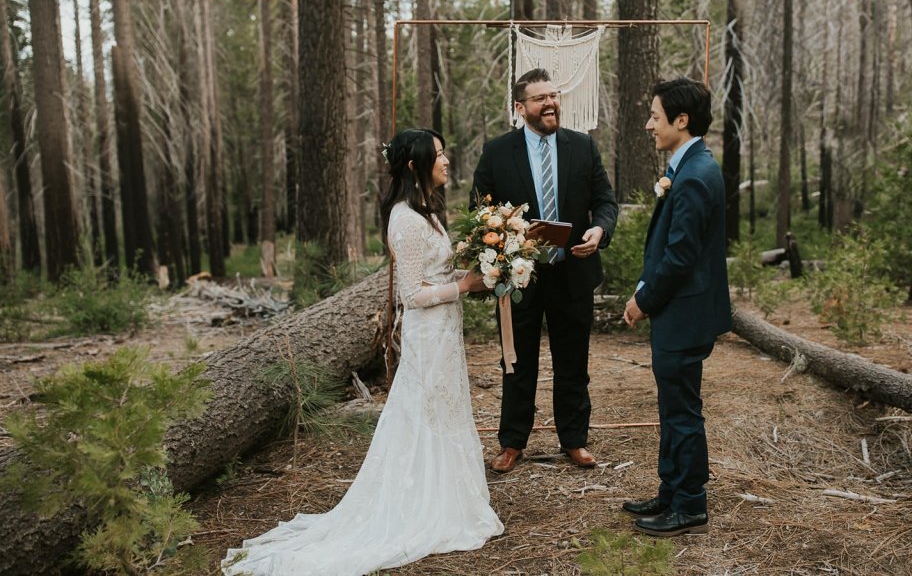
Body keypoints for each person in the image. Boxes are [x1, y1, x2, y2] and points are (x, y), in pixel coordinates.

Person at [222, 129, 503, 575]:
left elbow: (435, 271)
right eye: (439, 154)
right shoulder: (404, 220)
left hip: (446, 332)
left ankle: (452, 493)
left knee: (445, 411)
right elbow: (411, 294)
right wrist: (463, 285)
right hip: (427, 334)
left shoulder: (426, 212)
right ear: (414, 165)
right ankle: (423, 501)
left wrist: (475, 258)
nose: (447, 161)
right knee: (426, 412)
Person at [471, 68, 618, 474]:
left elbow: (605, 201)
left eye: (554, 95)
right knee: (517, 362)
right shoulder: (497, 151)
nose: (550, 103)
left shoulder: (582, 146)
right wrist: (507, 239)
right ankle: (512, 442)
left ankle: (574, 440)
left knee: (573, 361)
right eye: (540, 98)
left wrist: (599, 229)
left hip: (574, 271)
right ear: (520, 108)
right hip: (521, 277)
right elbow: (479, 211)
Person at [621, 76, 731, 537]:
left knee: (682, 411)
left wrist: (643, 300)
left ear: (681, 121)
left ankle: (690, 504)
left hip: (683, 314)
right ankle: (671, 490)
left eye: (655, 116)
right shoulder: (688, 168)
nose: (649, 124)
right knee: (671, 407)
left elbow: (681, 257)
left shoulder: (696, 176)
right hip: (680, 313)